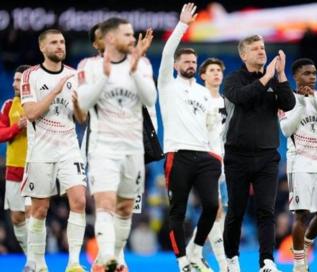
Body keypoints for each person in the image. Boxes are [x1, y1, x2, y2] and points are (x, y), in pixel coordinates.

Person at [77, 18, 157, 271]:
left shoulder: (142, 63)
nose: (133, 39)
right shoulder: (89, 66)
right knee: (105, 204)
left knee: (124, 209)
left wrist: (134, 71)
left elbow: (150, 98)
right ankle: (108, 259)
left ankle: (115, 258)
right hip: (103, 147)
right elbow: (84, 103)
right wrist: (104, 76)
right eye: (128, 34)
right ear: (110, 38)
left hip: (133, 148)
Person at [157, 3, 222, 272]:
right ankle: (182, 260)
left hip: (205, 156)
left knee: (211, 205)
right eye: (185, 61)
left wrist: (216, 154)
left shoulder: (204, 93)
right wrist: (183, 25)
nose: (191, 64)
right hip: (178, 154)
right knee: (178, 211)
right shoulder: (167, 84)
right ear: (175, 65)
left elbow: (211, 126)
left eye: (194, 62)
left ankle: (195, 250)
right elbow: (167, 51)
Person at [222, 33, 296, 271]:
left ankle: (267, 260)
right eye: (255, 49)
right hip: (237, 156)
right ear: (244, 55)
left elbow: (289, 104)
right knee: (236, 210)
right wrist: (266, 78)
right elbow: (242, 98)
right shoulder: (234, 79)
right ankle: (232, 258)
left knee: (267, 211)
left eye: (263, 48)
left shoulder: (274, 80)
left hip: (267, 156)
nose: (262, 52)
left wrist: (282, 76)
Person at [20, 29, 87, 272]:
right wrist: (55, 91)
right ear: (42, 48)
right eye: (54, 43)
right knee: (39, 209)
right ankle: (38, 263)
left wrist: (79, 104)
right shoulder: (31, 76)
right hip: (41, 151)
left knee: (79, 201)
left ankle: (74, 263)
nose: (60, 46)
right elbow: (31, 113)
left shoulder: (74, 75)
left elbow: (81, 118)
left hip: (69, 148)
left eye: (62, 42)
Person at [278, 58, 317, 272]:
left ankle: (307, 243)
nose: (312, 77)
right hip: (299, 164)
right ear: (295, 76)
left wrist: (315, 103)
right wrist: (302, 103)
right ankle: (299, 264)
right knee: (302, 214)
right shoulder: (286, 98)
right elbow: (286, 130)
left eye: (314, 73)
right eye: (306, 73)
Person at [186, 57, 228, 271]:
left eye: (219, 70)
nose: (216, 73)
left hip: (225, 161)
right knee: (215, 210)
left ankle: (194, 252)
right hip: (205, 159)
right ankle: (223, 263)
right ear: (202, 75)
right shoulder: (197, 99)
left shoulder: (227, 102)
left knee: (219, 213)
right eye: (211, 70)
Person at [0, 64, 31, 259]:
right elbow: (0, 133)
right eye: (13, 80)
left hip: (36, 166)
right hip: (13, 168)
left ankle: (37, 260)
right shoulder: (9, 105)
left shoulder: (40, 105)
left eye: (19, 80)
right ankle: (32, 256)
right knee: (17, 217)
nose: (14, 84)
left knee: (33, 214)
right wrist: (16, 128)